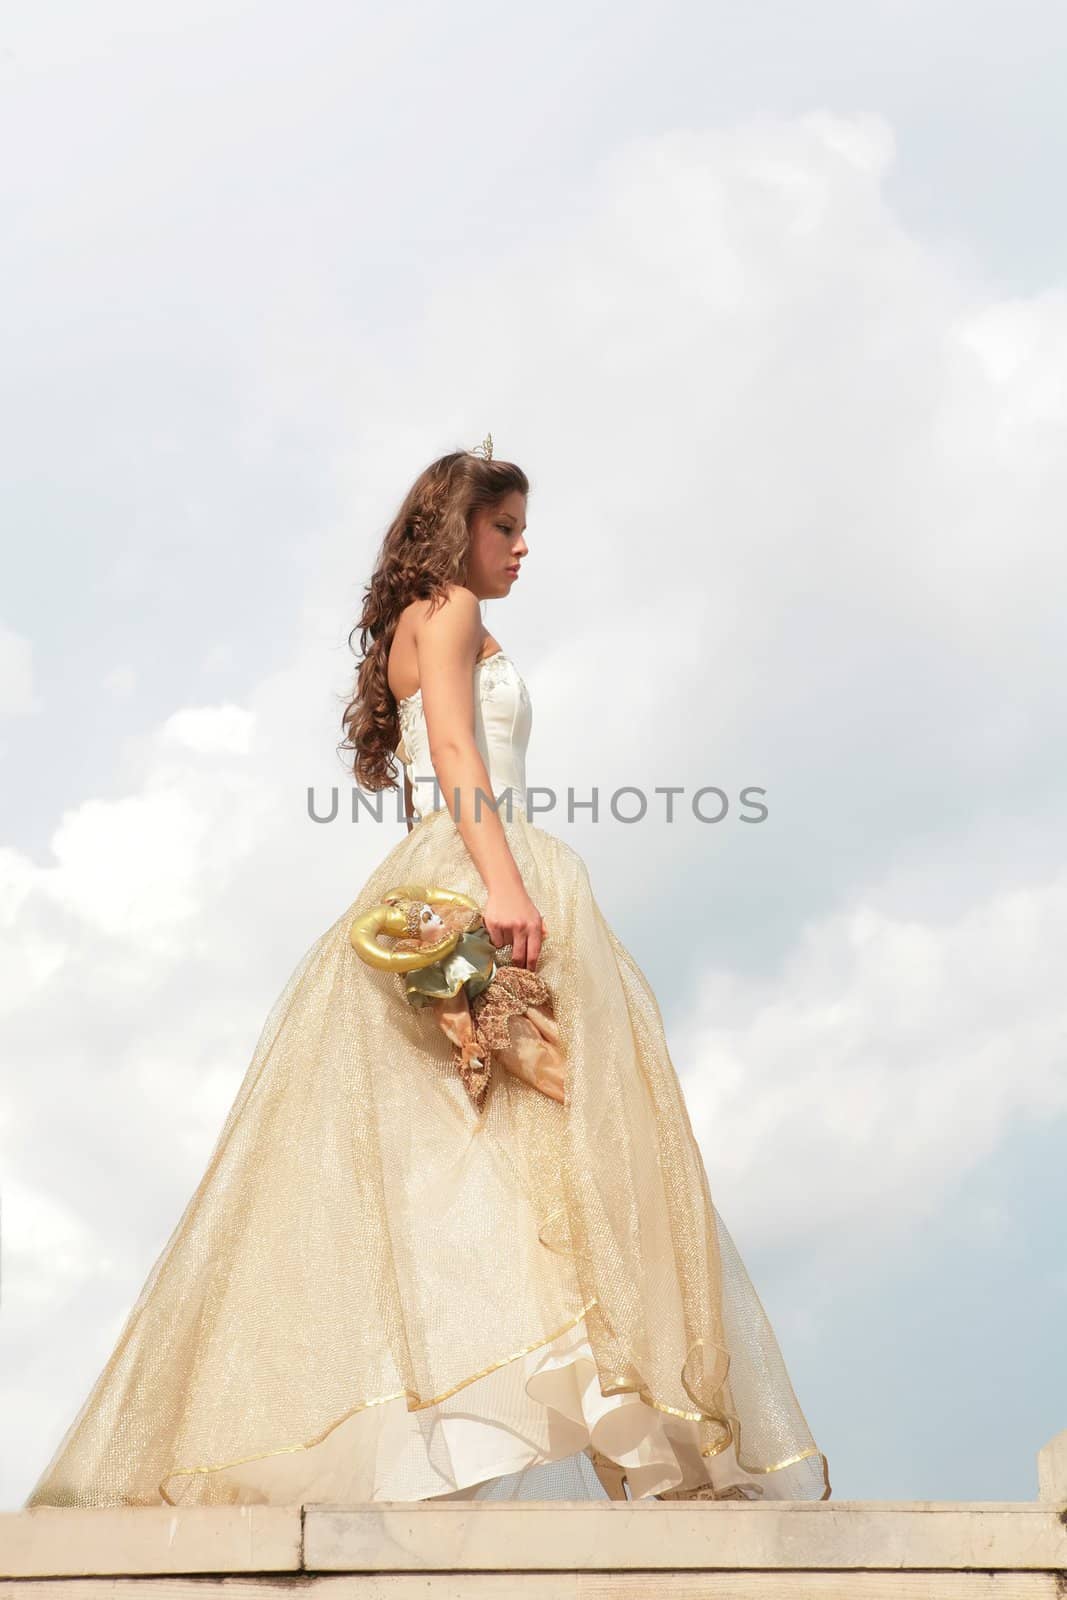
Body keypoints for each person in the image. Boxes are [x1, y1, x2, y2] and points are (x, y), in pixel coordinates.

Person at [23, 439, 831, 1508]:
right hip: (476, 882)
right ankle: (639, 1435)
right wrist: (503, 886)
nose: (521, 545)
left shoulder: (427, 618)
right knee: (572, 1145)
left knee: (501, 1165)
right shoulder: (449, 608)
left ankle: (611, 1425)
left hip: (438, 882)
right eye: (505, 526)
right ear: (458, 529)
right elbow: (454, 754)